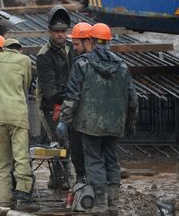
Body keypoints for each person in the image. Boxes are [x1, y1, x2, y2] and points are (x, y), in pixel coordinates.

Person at [60, 23, 138, 216]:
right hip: (114, 124)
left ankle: (100, 205)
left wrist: (65, 121)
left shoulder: (82, 64)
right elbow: (133, 100)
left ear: (92, 41)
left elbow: (72, 96)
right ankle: (113, 206)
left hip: (89, 125)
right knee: (112, 161)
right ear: (109, 42)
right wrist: (128, 124)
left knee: (94, 162)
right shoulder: (122, 66)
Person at [0, 34, 38, 211]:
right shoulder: (24, 60)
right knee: (21, 158)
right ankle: (23, 199)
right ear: (18, 48)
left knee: (1, 163)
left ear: (3, 48)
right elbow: (26, 84)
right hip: (17, 116)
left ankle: (4, 203)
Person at [36, 7, 84, 188]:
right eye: (57, 32)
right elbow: (48, 88)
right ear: (50, 32)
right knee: (57, 142)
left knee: (69, 142)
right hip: (51, 106)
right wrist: (58, 103)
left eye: (63, 31)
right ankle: (62, 179)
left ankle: (57, 180)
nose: (60, 35)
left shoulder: (72, 48)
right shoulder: (44, 55)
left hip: (69, 102)